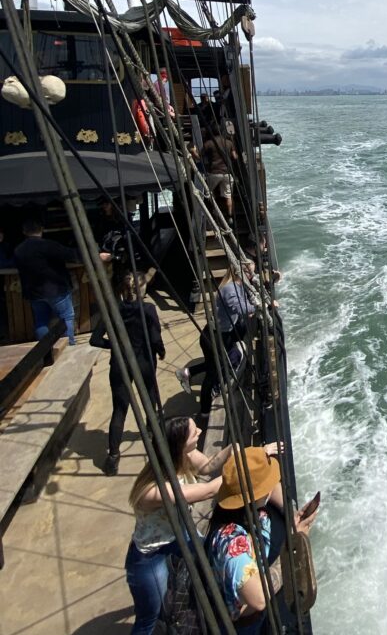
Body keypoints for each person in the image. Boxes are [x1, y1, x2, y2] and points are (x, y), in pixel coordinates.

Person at [126, 416, 231, 635]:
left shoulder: (186, 455)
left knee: (210, 555)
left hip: (176, 536)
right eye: (195, 433)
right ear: (180, 444)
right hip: (151, 555)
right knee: (148, 617)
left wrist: (233, 449)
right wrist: (245, 465)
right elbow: (209, 490)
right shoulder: (154, 490)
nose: (200, 432)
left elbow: (207, 466)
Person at [207, 446, 317, 634]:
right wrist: (294, 544)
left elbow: (272, 487)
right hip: (244, 622)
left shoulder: (242, 505)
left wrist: (291, 516)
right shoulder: (232, 543)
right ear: (255, 495)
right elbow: (258, 599)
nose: (273, 485)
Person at [90, 271, 165, 476]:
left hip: (120, 363)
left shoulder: (112, 310)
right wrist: (161, 351)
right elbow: (155, 337)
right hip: (144, 361)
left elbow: (95, 340)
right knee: (151, 400)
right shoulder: (148, 309)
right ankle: (159, 448)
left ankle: (113, 456)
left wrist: (115, 345)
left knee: (119, 410)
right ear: (142, 289)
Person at [176, 263, 258, 419]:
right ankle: (205, 411)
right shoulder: (230, 288)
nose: (252, 277)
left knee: (230, 358)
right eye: (251, 274)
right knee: (213, 373)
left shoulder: (237, 287)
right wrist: (257, 306)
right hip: (213, 337)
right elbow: (239, 307)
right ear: (242, 274)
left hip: (223, 335)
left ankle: (187, 373)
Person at [13, 218, 77, 345]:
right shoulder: (48, 245)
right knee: (66, 317)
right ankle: (69, 346)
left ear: (24, 232)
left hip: (33, 292)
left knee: (41, 321)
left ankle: (45, 351)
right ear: (41, 229)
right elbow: (70, 255)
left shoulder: (18, 250)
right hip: (56, 289)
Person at [202, 121, 238, 220]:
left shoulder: (208, 143)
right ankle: (230, 216)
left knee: (209, 192)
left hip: (214, 172)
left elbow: (200, 157)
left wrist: (192, 152)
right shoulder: (229, 143)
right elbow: (235, 157)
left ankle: (215, 211)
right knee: (228, 195)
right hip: (227, 173)